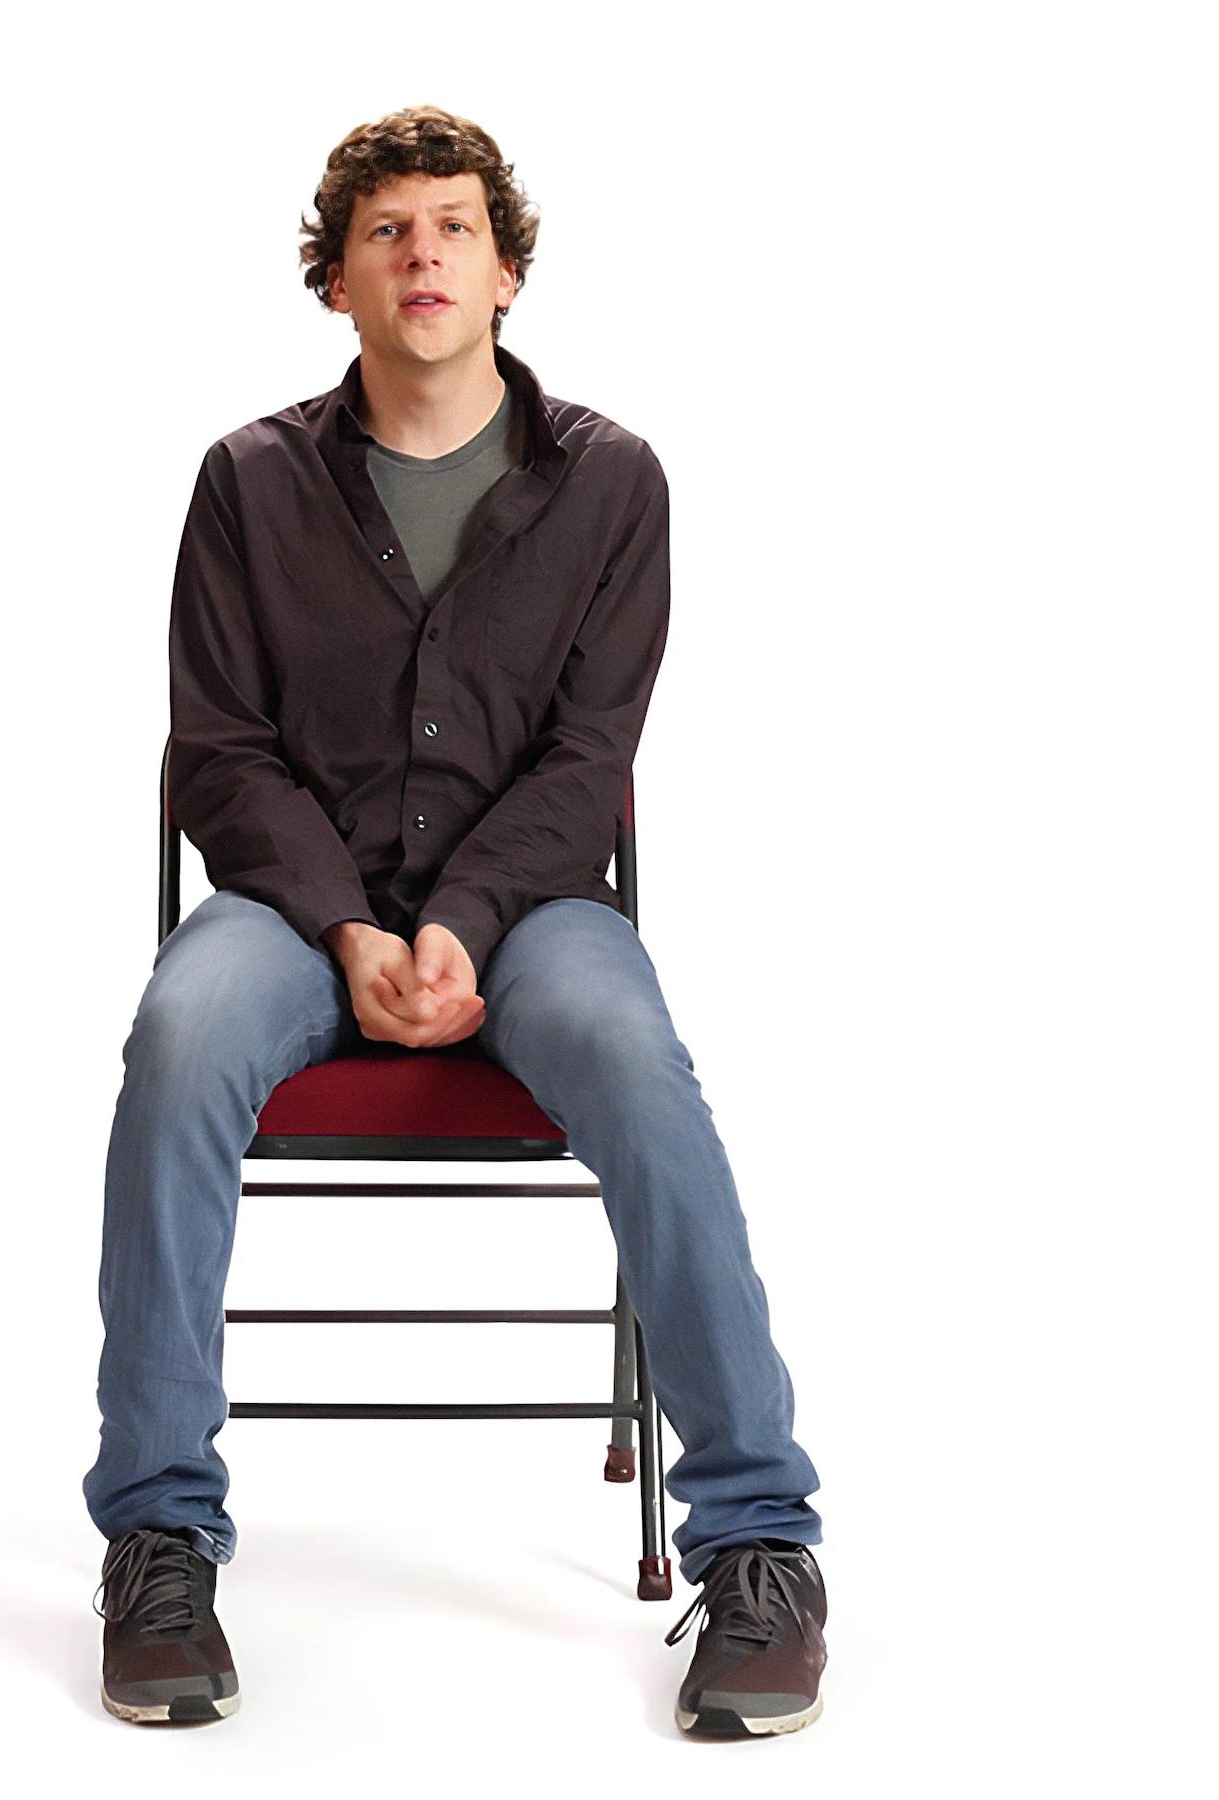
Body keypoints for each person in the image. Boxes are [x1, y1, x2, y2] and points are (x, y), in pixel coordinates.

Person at [85, 105, 827, 1737]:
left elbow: (590, 756)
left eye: (452, 227)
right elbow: (217, 747)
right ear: (335, 279)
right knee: (179, 1034)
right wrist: (351, 929)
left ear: (506, 269)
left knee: (636, 1063)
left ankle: (762, 1545)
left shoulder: (612, 483)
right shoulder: (248, 482)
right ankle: (158, 1533)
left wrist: (473, 921)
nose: (421, 254)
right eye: (385, 232)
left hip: (539, 908)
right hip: (296, 906)